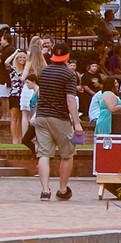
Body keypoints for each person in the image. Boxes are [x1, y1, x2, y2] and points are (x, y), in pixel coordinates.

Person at [36, 40, 82, 201]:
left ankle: (44, 190)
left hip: (41, 116)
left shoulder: (44, 72)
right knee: (67, 154)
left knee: (43, 153)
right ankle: (62, 189)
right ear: (67, 56)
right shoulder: (69, 75)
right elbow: (70, 99)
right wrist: (77, 123)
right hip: (60, 118)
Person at [6, 49, 31, 143]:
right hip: (14, 94)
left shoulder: (27, 69)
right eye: (20, 57)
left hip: (24, 95)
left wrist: (27, 55)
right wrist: (15, 52)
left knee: (22, 118)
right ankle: (14, 139)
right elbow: (6, 62)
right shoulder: (13, 69)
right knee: (14, 118)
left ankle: (21, 138)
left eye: (23, 57)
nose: (22, 59)